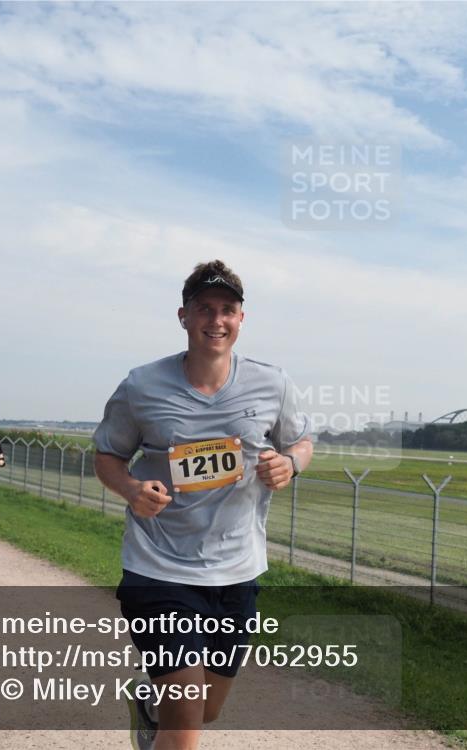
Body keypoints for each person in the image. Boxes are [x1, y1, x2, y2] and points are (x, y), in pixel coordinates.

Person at [93, 260, 312, 750]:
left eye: (227, 310)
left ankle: (150, 708)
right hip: (158, 570)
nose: (217, 320)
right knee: (187, 721)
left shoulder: (273, 384)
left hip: (236, 572)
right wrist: (131, 489)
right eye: (204, 309)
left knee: (206, 709)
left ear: (241, 319)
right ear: (184, 316)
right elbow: (107, 456)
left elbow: (301, 443)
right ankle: (167, 719)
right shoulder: (142, 386)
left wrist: (290, 464)